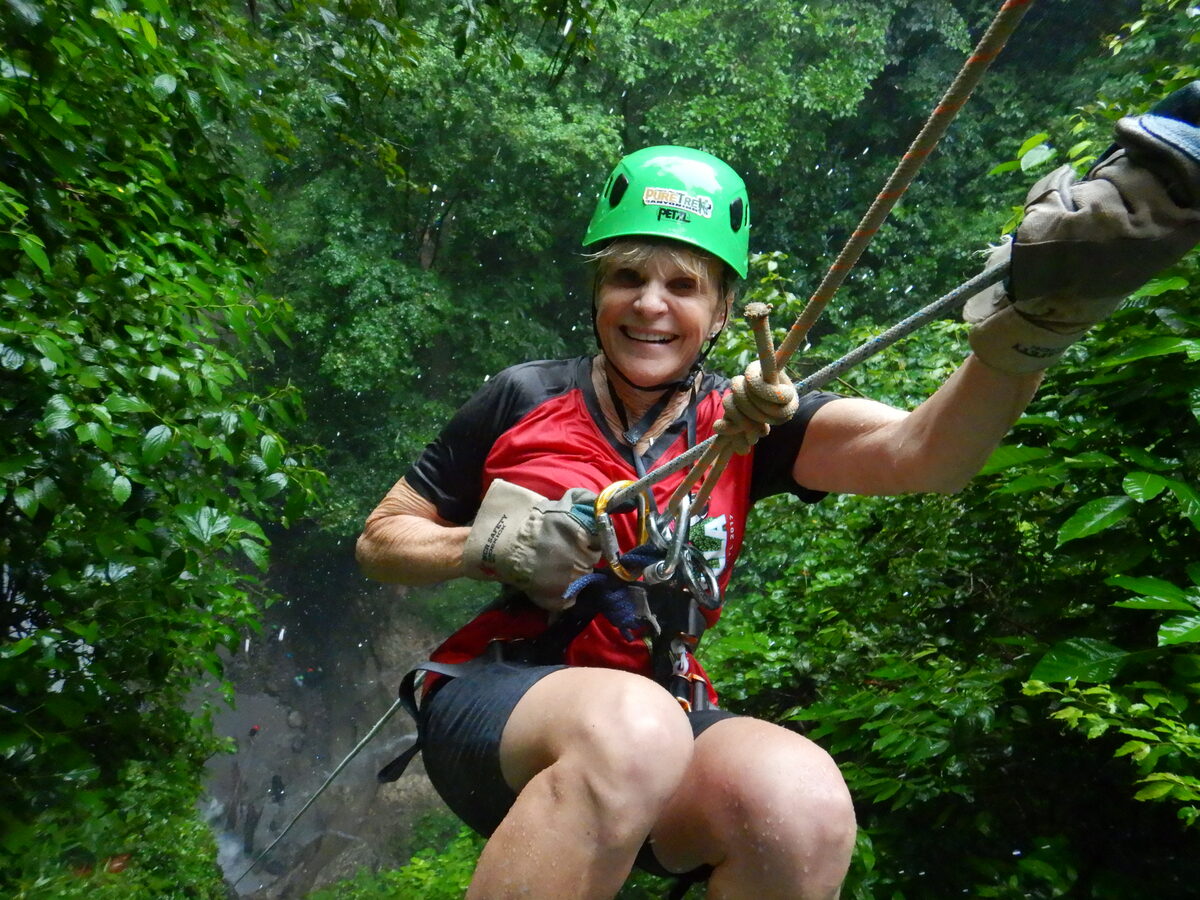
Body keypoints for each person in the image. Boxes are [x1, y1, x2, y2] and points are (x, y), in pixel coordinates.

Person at [357, 86, 1200, 900]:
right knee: (632, 728)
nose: (649, 305)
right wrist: (485, 545)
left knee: (800, 808)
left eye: (683, 286)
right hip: (497, 700)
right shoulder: (523, 398)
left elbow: (926, 455)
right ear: (596, 291)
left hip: (659, 717)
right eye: (627, 277)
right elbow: (382, 538)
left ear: (723, 310)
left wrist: (1031, 330)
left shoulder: (747, 422)